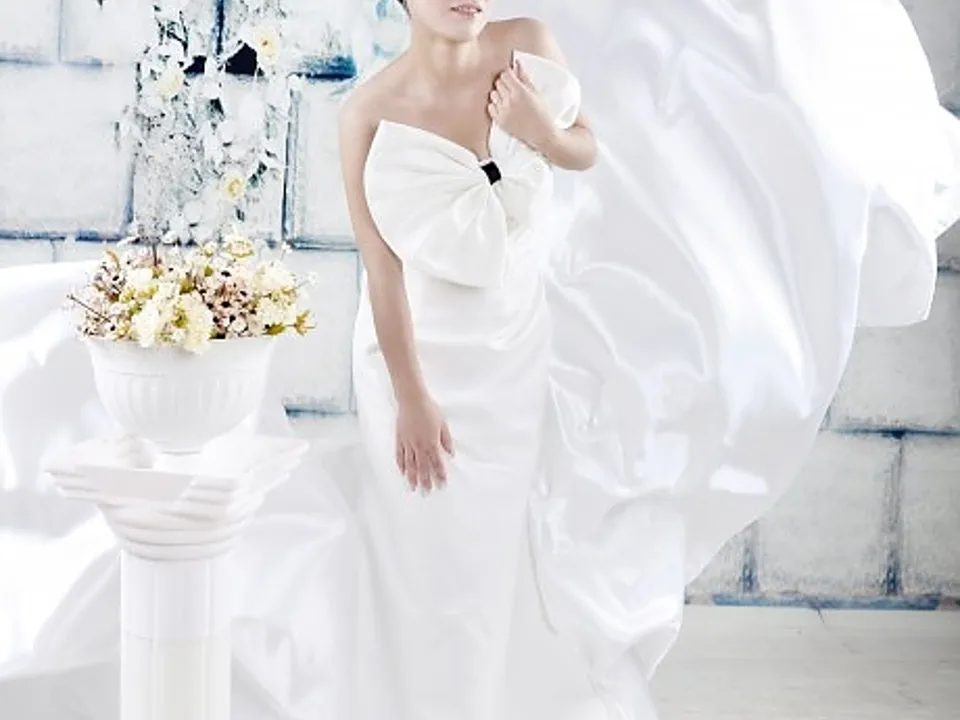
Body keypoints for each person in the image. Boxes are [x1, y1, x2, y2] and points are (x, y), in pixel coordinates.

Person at [1, 1, 959, 719]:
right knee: (420, 550)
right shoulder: (366, 110)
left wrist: (540, 133)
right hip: (412, 359)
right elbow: (382, 274)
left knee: (493, 549)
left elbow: (584, 153)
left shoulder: (527, 42)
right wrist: (413, 398)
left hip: (511, 349)